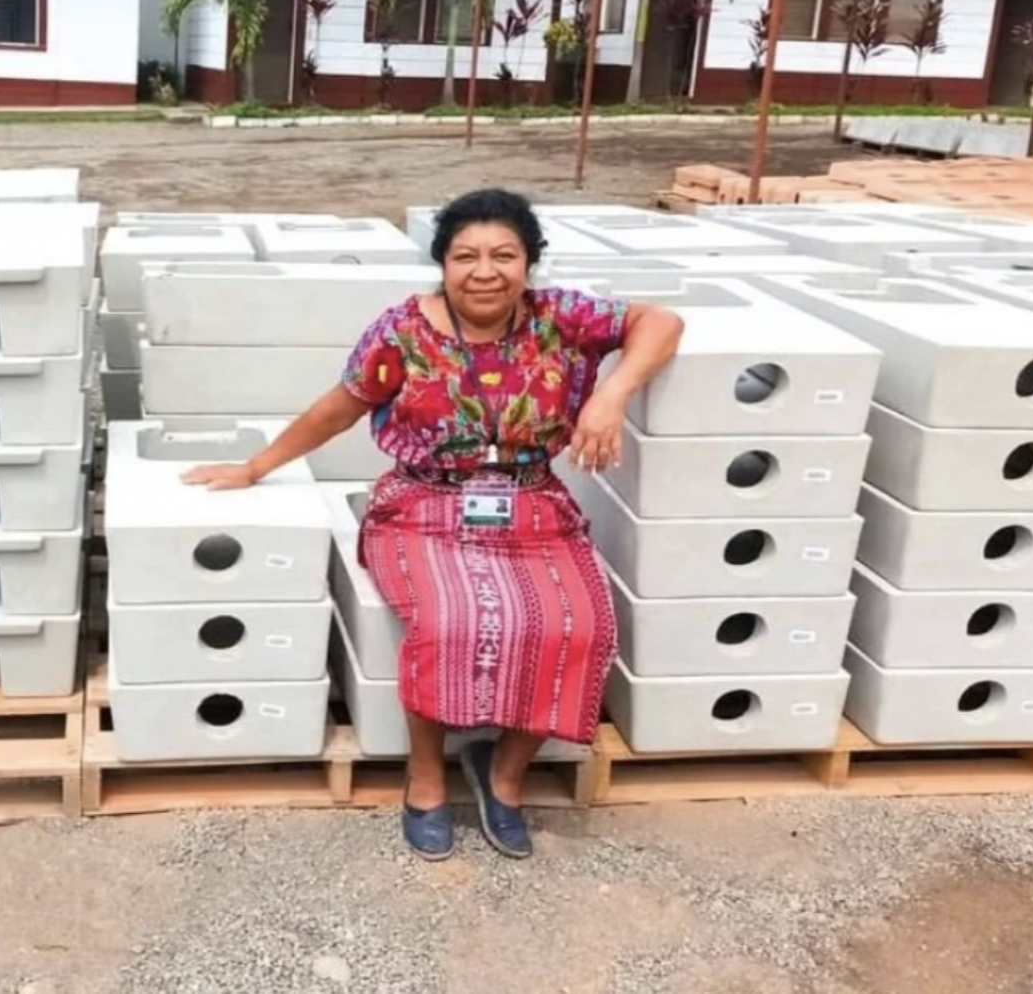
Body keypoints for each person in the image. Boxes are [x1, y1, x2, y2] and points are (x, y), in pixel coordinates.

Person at [182, 188, 683, 860]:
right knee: (450, 620)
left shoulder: (559, 317)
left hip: (531, 499)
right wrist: (255, 466)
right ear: (442, 264)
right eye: (465, 256)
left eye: (504, 255)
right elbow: (340, 406)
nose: (485, 271)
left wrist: (610, 393)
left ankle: (501, 776)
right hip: (421, 505)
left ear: (529, 263)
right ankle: (425, 779)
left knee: (578, 624)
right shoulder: (402, 332)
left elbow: (660, 322)